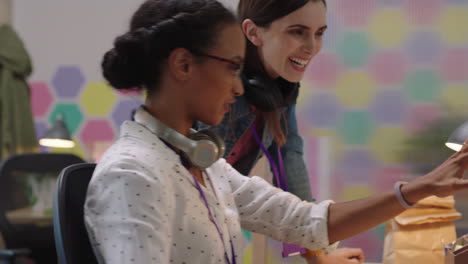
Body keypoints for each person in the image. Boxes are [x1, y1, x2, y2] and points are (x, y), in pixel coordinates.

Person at [84, 0, 468, 264]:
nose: (239, 89)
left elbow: (306, 221)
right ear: (183, 65)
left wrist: (424, 187)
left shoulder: (206, 166)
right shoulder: (132, 174)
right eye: (232, 68)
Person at [197, 0, 362, 262]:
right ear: (253, 33)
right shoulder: (219, 91)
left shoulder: (279, 88)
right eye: (297, 31)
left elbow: (290, 159)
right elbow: (203, 187)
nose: (312, 47)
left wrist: (318, 255)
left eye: (319, 33)